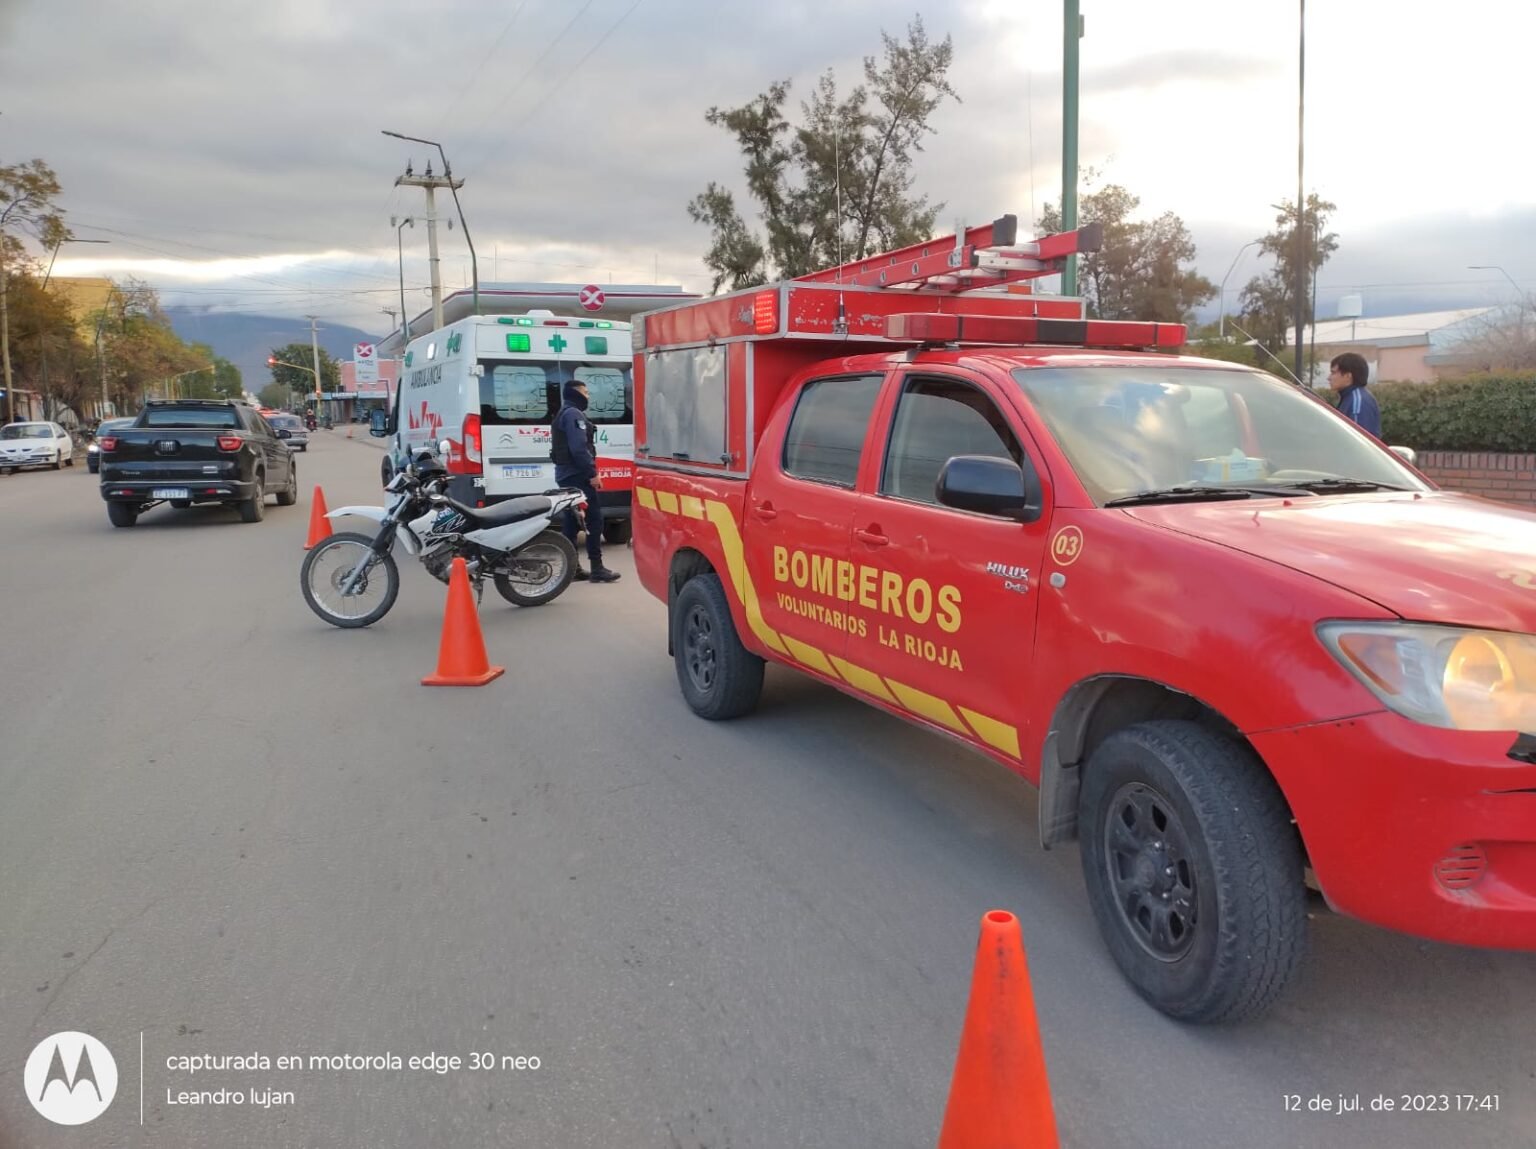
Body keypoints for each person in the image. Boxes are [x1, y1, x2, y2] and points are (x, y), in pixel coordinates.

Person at [551, 378, 620, 583]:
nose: (588, 397)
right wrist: (592, 474)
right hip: (577, 476)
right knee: (594, 520)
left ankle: (572, 569)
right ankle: (597, 568)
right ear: (576, 393)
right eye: (586, 392)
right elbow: (579, 449)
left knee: (572, 522)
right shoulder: (573, 414)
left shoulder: (563, 413)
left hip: (566, 475)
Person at [1328, 352, 1380, 438]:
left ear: (1348, 376)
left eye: (1333, 373)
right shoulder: (1348, 397)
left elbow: (1359, 439)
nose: (1329, 378)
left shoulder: (1358, 403)